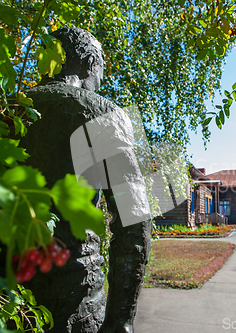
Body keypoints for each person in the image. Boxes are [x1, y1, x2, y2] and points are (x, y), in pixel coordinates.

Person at [21, 26, 152, 333]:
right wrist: (121, 320)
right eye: (102, 70)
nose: (101, 80)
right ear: (89, 62)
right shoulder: (100, 112)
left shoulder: (3, 112)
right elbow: (135, 222)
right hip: (75, 300)